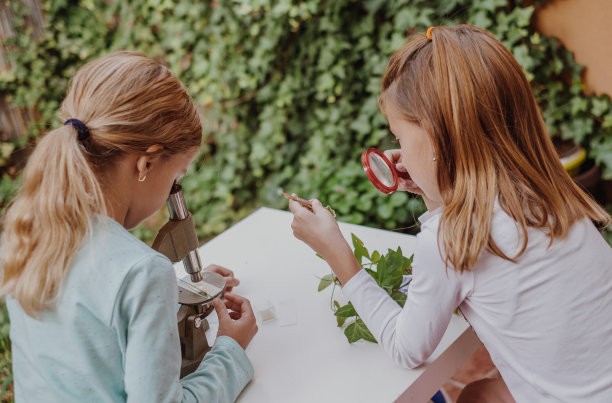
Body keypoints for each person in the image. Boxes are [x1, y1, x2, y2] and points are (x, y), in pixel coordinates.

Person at [288, 25, 612, 402]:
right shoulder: (547, 190)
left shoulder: (448, 237)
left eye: (399, 139)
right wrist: (435, 188)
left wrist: (336, 252)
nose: (400, 153)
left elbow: (406, 349)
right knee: (479, 393)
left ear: (436, 138)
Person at [0, 51, 258, 402]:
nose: (173, 189)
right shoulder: (141, 271)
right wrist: (230, 350)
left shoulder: (24, 231)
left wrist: (163, 298)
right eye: (176, 176)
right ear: (145, 163)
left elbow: (89, 329)